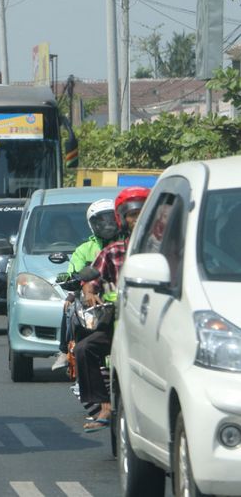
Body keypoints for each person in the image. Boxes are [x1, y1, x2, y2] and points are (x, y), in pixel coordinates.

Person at [76, 186, 150, 433]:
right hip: (119, 324)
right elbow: (91, 280)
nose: (137, 218)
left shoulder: (167, 250)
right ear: (122, 218)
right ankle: (104, 405)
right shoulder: (112, 252)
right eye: (131, 214)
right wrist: (89, 293)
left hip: (154, 327)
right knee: (85, 349)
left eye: (142, 212)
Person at [51, 198, 119, 371]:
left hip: (123, 300)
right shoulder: (84, 249)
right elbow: (74, 272)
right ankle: (64, 351)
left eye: (111, 219)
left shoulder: (128, 244)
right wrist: (70, 283)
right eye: (101, 220)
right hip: (93, 302)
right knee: (70, 307)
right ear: (92, 224)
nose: (107, 225)